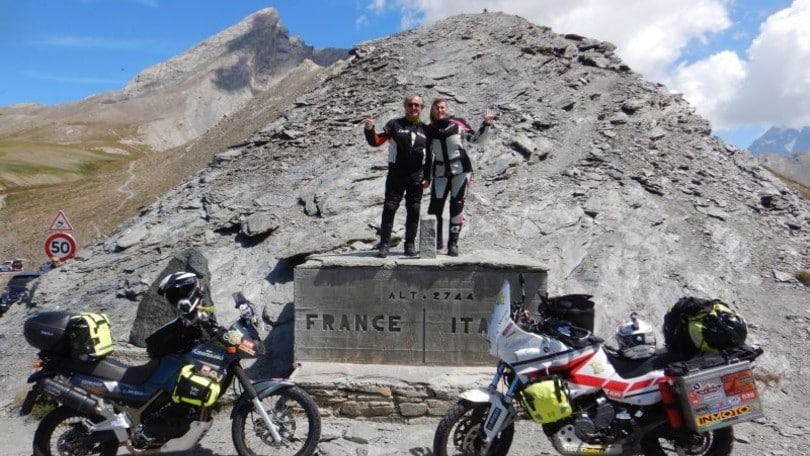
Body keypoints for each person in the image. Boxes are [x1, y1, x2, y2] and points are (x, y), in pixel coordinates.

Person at [425, 97, 495, 256]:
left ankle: (453, 244)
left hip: (461, 172)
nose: (440, 110)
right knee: (434, 208)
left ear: (447, 109)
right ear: (433, 112)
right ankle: (435, 243)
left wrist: (485, 125)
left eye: (443, 107)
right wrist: (426, 176)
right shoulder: (429, 130)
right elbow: (428, 156)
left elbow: (475, 140)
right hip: (440, 173)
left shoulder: (458, 124)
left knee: (456, 207)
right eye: (437, 108)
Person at [364, 94, 430, 258]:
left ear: (422, 108)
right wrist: (369, 129)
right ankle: (384, 245)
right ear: (405, 107)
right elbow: (377, 141)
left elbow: (430, 156)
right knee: (390, 207)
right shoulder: (394, 124)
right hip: (396, 174)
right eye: (410, 105)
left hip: (416, 175)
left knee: (414, 209)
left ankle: (409, 245)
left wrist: (428, 177)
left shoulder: (426, 130)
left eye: (417, 105)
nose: (413, 108)